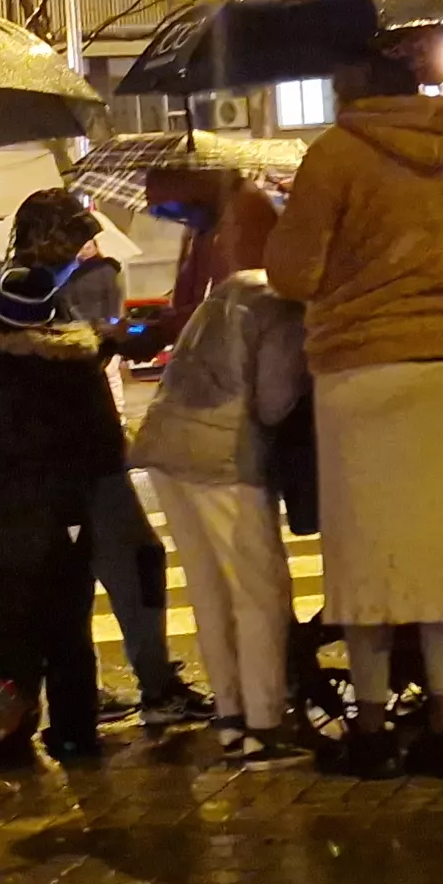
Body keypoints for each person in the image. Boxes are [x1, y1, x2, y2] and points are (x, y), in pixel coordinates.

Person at [260, 39, 443, 778]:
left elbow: (292, 273)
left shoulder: (337, 153)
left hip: (359, 374)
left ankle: (376, 729)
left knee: (365, 561)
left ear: (354, 76)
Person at [8, 188, 207, 724]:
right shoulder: (24, 288)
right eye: (71, 232)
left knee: (102, 569)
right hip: (72, 457)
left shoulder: (44, 282)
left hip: (71, 453)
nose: (81, 242)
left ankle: (117, 688)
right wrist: (108, 339)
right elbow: (58, 351)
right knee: (127, 563)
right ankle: (148, 688)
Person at [0, 264, 129, 763]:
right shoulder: (78, 370)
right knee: (69, 632)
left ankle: (11, 738)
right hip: (69, 521)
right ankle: (75, 733)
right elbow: (108, 452)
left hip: (2, 528)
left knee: (10, 637)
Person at [130, 253, 305, 762]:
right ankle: (265, 726)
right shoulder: (287, 311)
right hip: (222, 457)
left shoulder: (239, 285)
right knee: (260, 592)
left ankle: (231, 716)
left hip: (166, 442)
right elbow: (273, 402)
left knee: (209, 590)